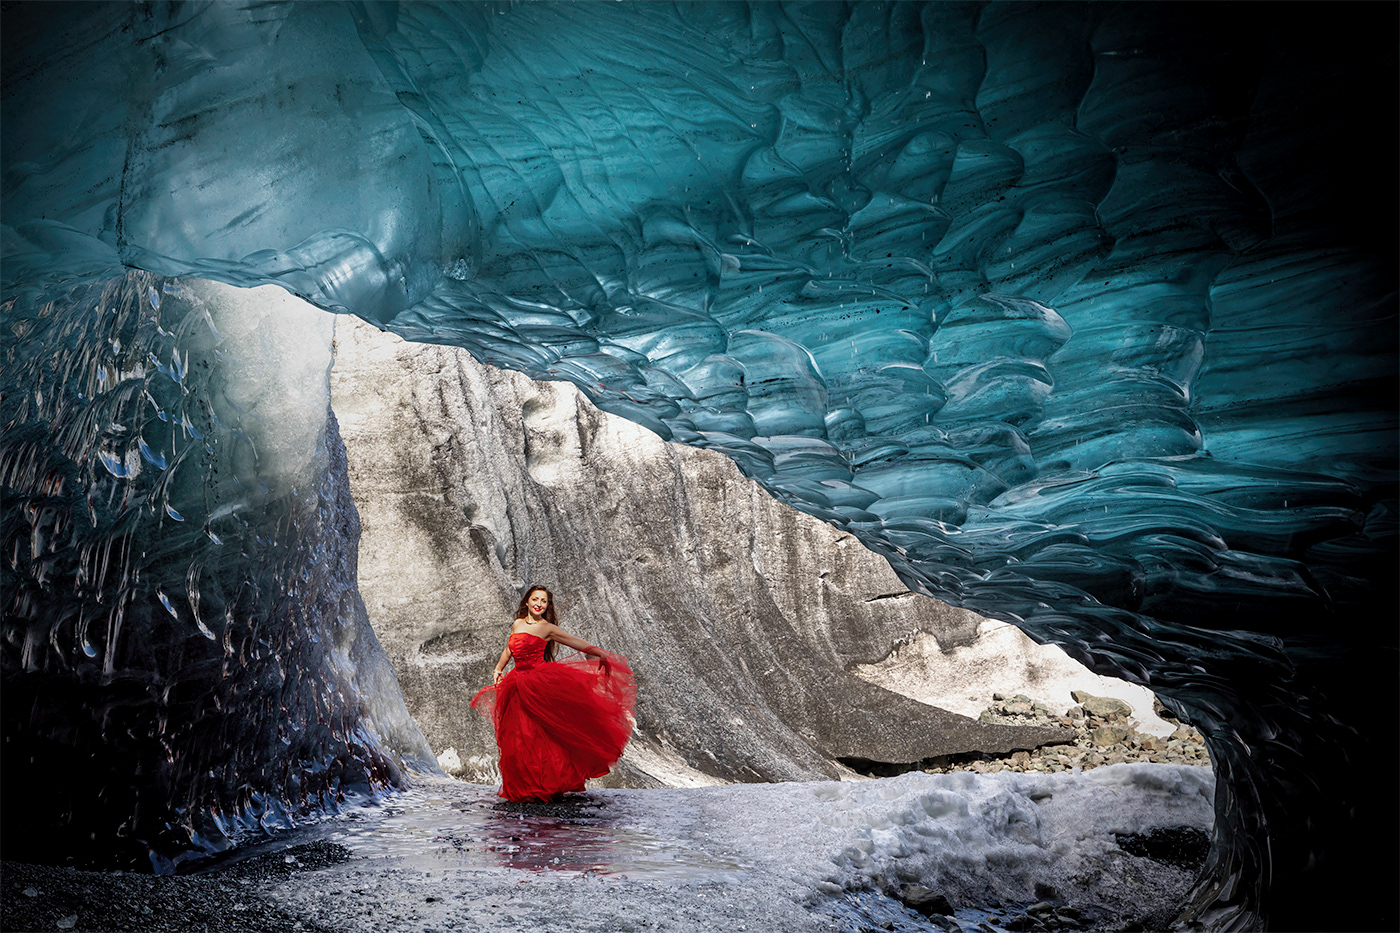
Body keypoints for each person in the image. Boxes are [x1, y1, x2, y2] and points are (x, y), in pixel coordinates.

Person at [471, 585, 636, 801]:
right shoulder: (517, 624)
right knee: (518, 737)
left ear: (548, 605)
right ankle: (524, 785)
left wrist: (597, 652)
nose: (539, 604)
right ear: (527, 602)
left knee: (540, 735)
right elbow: (509, 649)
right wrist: (498, 668)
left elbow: (573, 640)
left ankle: (547, 783)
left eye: (544, 601)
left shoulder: (547, 628)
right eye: (535, 599)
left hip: (538, 683)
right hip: (516, 684)